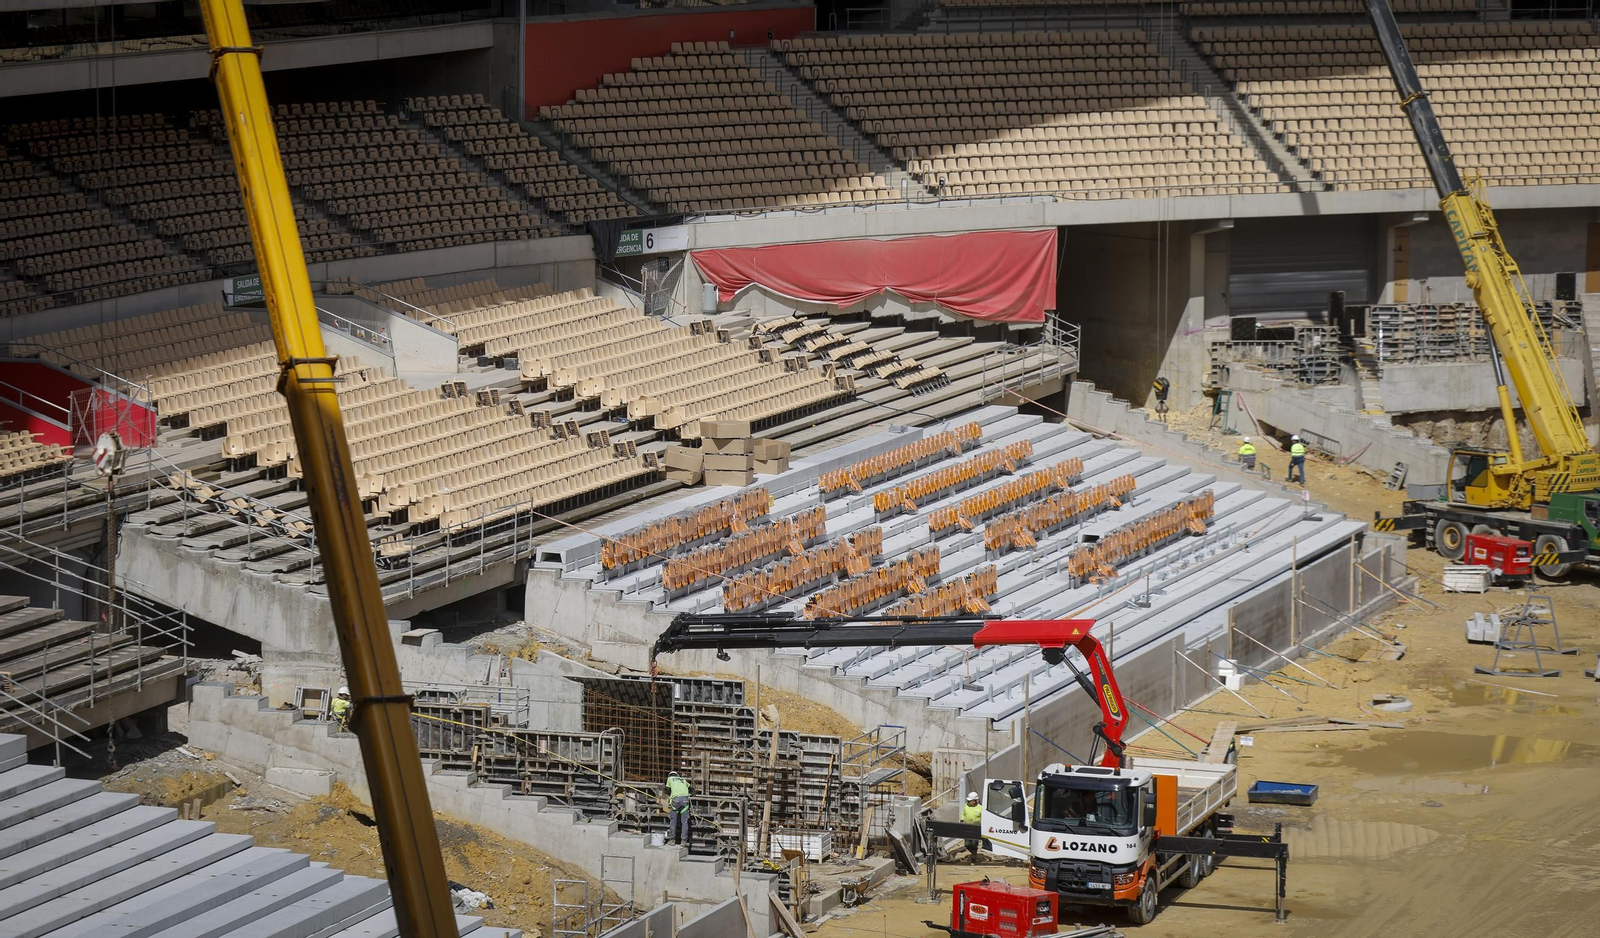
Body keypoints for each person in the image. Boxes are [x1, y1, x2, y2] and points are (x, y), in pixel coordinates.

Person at [666, 770, 692, 846]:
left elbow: (668, 789)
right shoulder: (683, 780)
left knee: (673, 821)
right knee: (684, 822)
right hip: (685, 801)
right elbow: (691, 788)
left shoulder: (670, 779)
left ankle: (672, 840)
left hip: (675, 801)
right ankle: (683, 841)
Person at [961, 791, 984, 862]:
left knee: (974, 843)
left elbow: (983, 818)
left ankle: (974, 855)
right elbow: (963, 814)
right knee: (967, 844)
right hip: (967, 827)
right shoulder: (966, 806)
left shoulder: (980, 808)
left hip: (975, 828)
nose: (969, 802)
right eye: (968, 801)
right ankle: (973, 853)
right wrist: (962, 819)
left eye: (970, 801)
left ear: (975, 801)